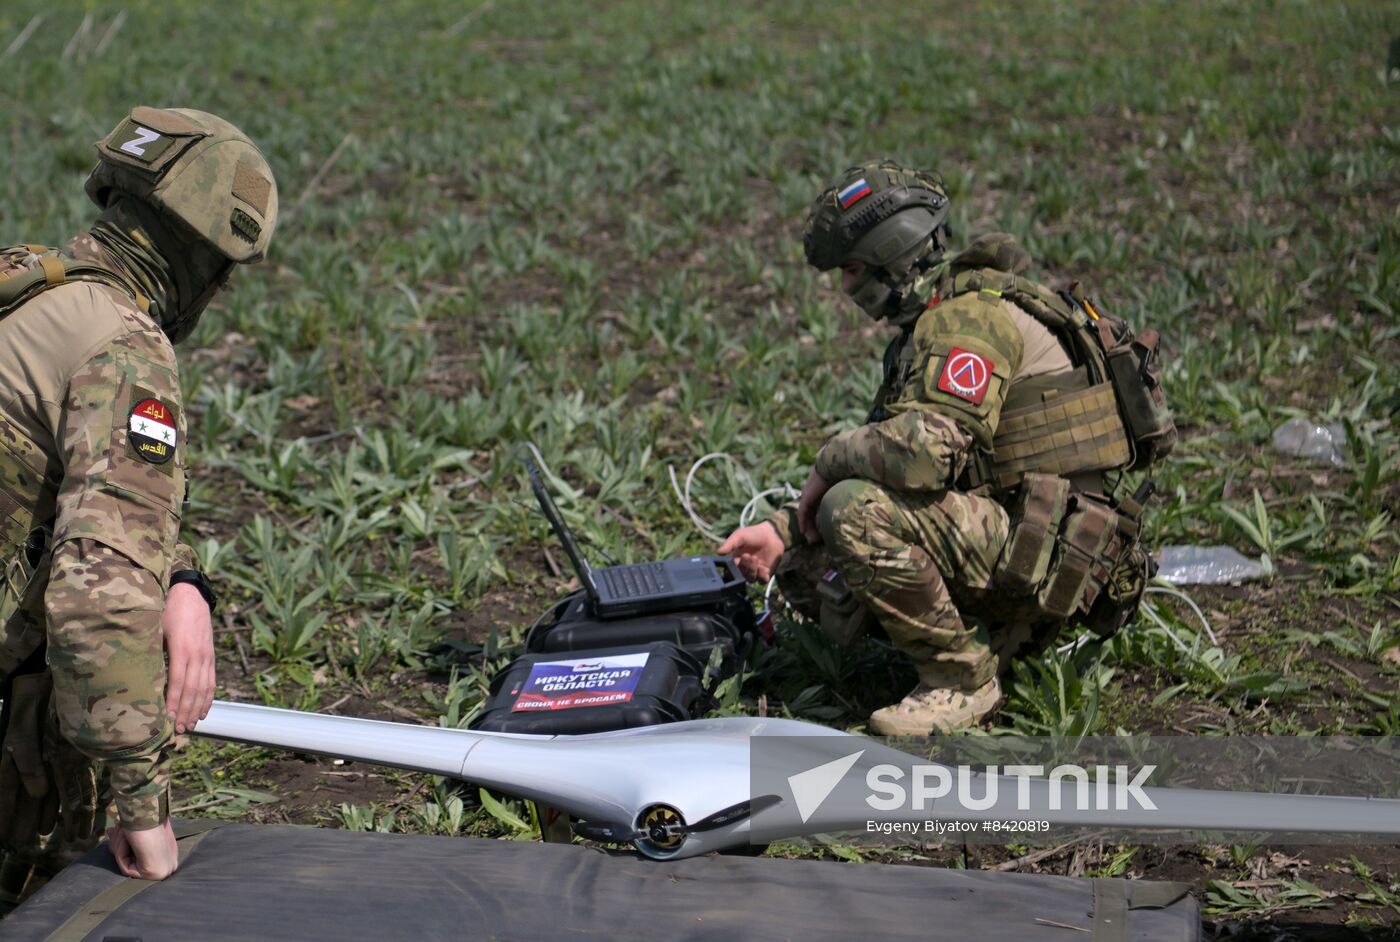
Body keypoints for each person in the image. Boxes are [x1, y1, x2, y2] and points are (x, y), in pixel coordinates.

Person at [721, 160, 1158, 736]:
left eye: (852, 269)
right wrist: (782, 531)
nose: (847, 289)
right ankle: (988, 638)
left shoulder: (969, 320)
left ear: (891, 253)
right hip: (1023, 532)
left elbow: (922, 460)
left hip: (1055, 555)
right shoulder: (932, 324)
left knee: (852, 510)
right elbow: (894, 452)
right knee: (805, 565)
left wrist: (829, 460)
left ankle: (963, 680)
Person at [0, 106, 278, 910]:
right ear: (204, 262)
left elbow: (68, 494)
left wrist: (183, 580)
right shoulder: (124, 350)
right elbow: (98, 599)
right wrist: (140, 804)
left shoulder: (29, 293)